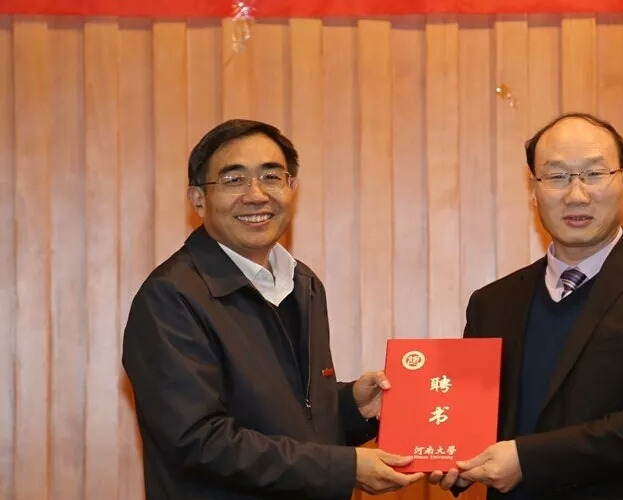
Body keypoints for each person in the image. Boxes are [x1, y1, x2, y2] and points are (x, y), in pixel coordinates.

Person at [122, 119, 423, 500]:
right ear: (198, 200)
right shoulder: (170, 297)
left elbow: (288, 417)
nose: (256, 195)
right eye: (234, 180)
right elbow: (198, 441)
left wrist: (352, 408)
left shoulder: (304, 284)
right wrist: (343, 467)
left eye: (271, 177)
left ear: (292, 188)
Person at [429, 112, 623, 499]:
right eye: (557, 176)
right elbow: (472, 419)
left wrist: (527, 460)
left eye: (594, 174)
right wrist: (449, 454)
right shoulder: (492, 303)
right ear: (533, 189)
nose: (576, 195)